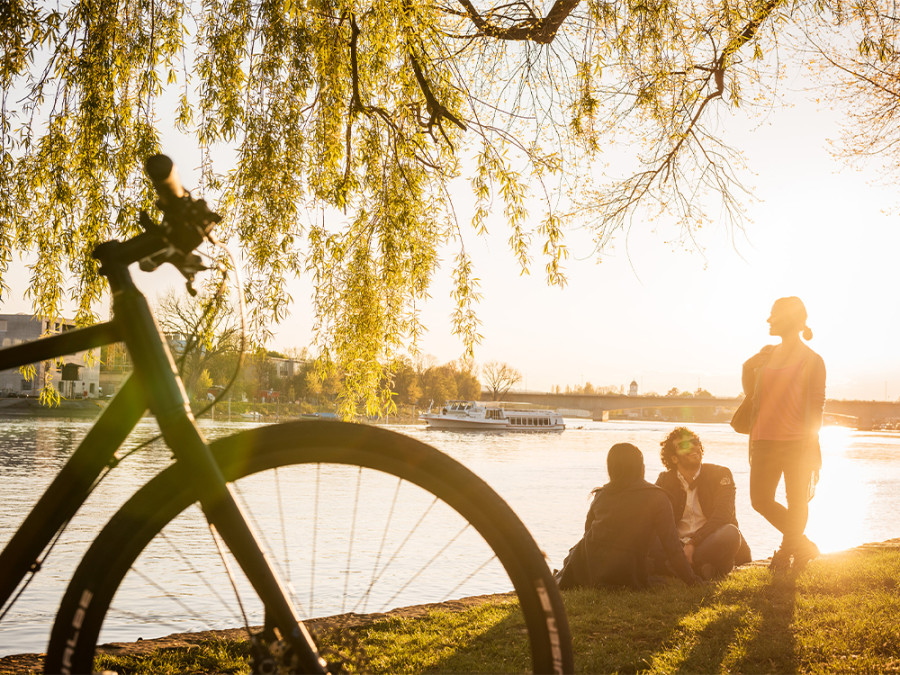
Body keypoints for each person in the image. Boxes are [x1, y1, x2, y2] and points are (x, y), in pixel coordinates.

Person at [742, 296, 826, 571]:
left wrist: (811, 446)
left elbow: (816, 407)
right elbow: (752, 395)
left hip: (797, 443)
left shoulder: (813, 360)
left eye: (773, 315)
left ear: (788, 320)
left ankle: (787, 551)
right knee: (760, 500)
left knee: (797, 500)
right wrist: (748, 368)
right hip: (764, 440)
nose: (768, 320)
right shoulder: (767, 353)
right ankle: (802, 545)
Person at [556, 442, 699, 589]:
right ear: (640, 467)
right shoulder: (658, 497)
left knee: (576, 550)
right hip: (628, 571)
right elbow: (672, 548)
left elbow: (588, 533)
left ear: (611, 468)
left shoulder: (601, 494)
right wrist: (692, 581)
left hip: (591, 568)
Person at [655, 427, 751, 580]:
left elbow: (722, 517)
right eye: (684, 445)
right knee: (647, 537)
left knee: (730, 533)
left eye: (694, 442)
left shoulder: (721, 474)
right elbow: (658, 520)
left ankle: (679, 567)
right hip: (677, 546)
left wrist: (693, 542)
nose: (693, 446)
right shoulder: (665, 480)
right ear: (674, 458)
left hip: (709, 542)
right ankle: (701, 568)